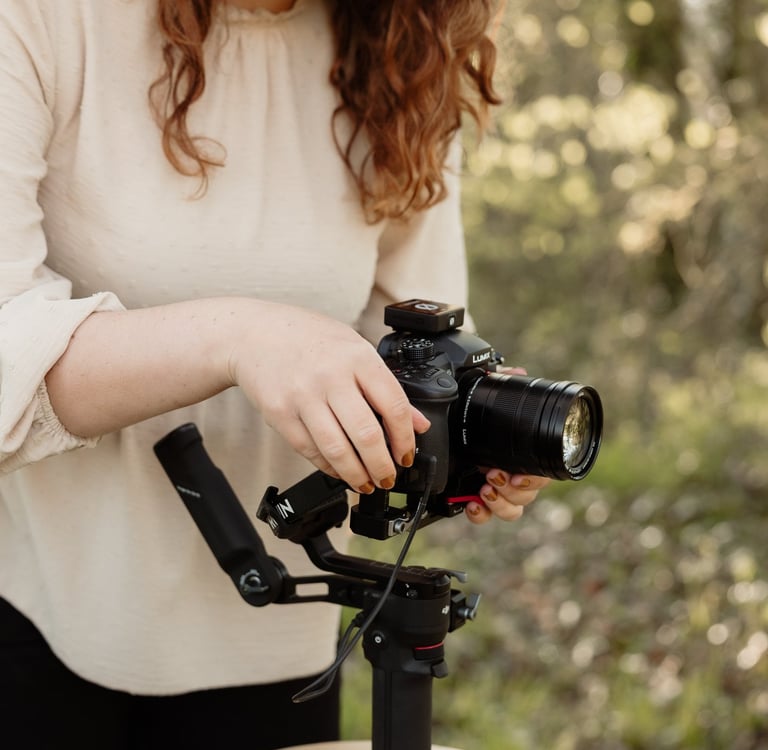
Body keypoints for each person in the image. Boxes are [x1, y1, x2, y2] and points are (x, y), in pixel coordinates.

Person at [0, 0, 549, 746]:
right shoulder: (44, 18)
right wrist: (240, 338)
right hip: (42, 624)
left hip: (282, 635)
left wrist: (479, 425)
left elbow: (410, 334)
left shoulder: (406, 44)